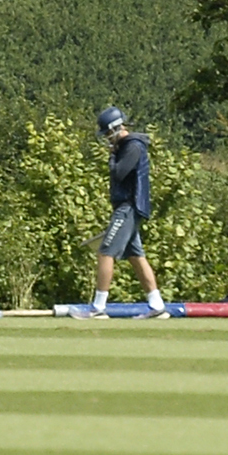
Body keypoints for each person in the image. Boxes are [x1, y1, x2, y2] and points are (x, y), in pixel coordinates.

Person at [90, 105, 160, 312]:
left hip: (128, 207)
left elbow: (119, 173)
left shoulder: (133, 146)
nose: (107, 139)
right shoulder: (128, 146)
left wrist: (112, 155)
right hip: (126, 206)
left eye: (108, 134)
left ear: (115, 129)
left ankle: (98, 307)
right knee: (136, 256)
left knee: (105, 253)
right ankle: (157, 305)